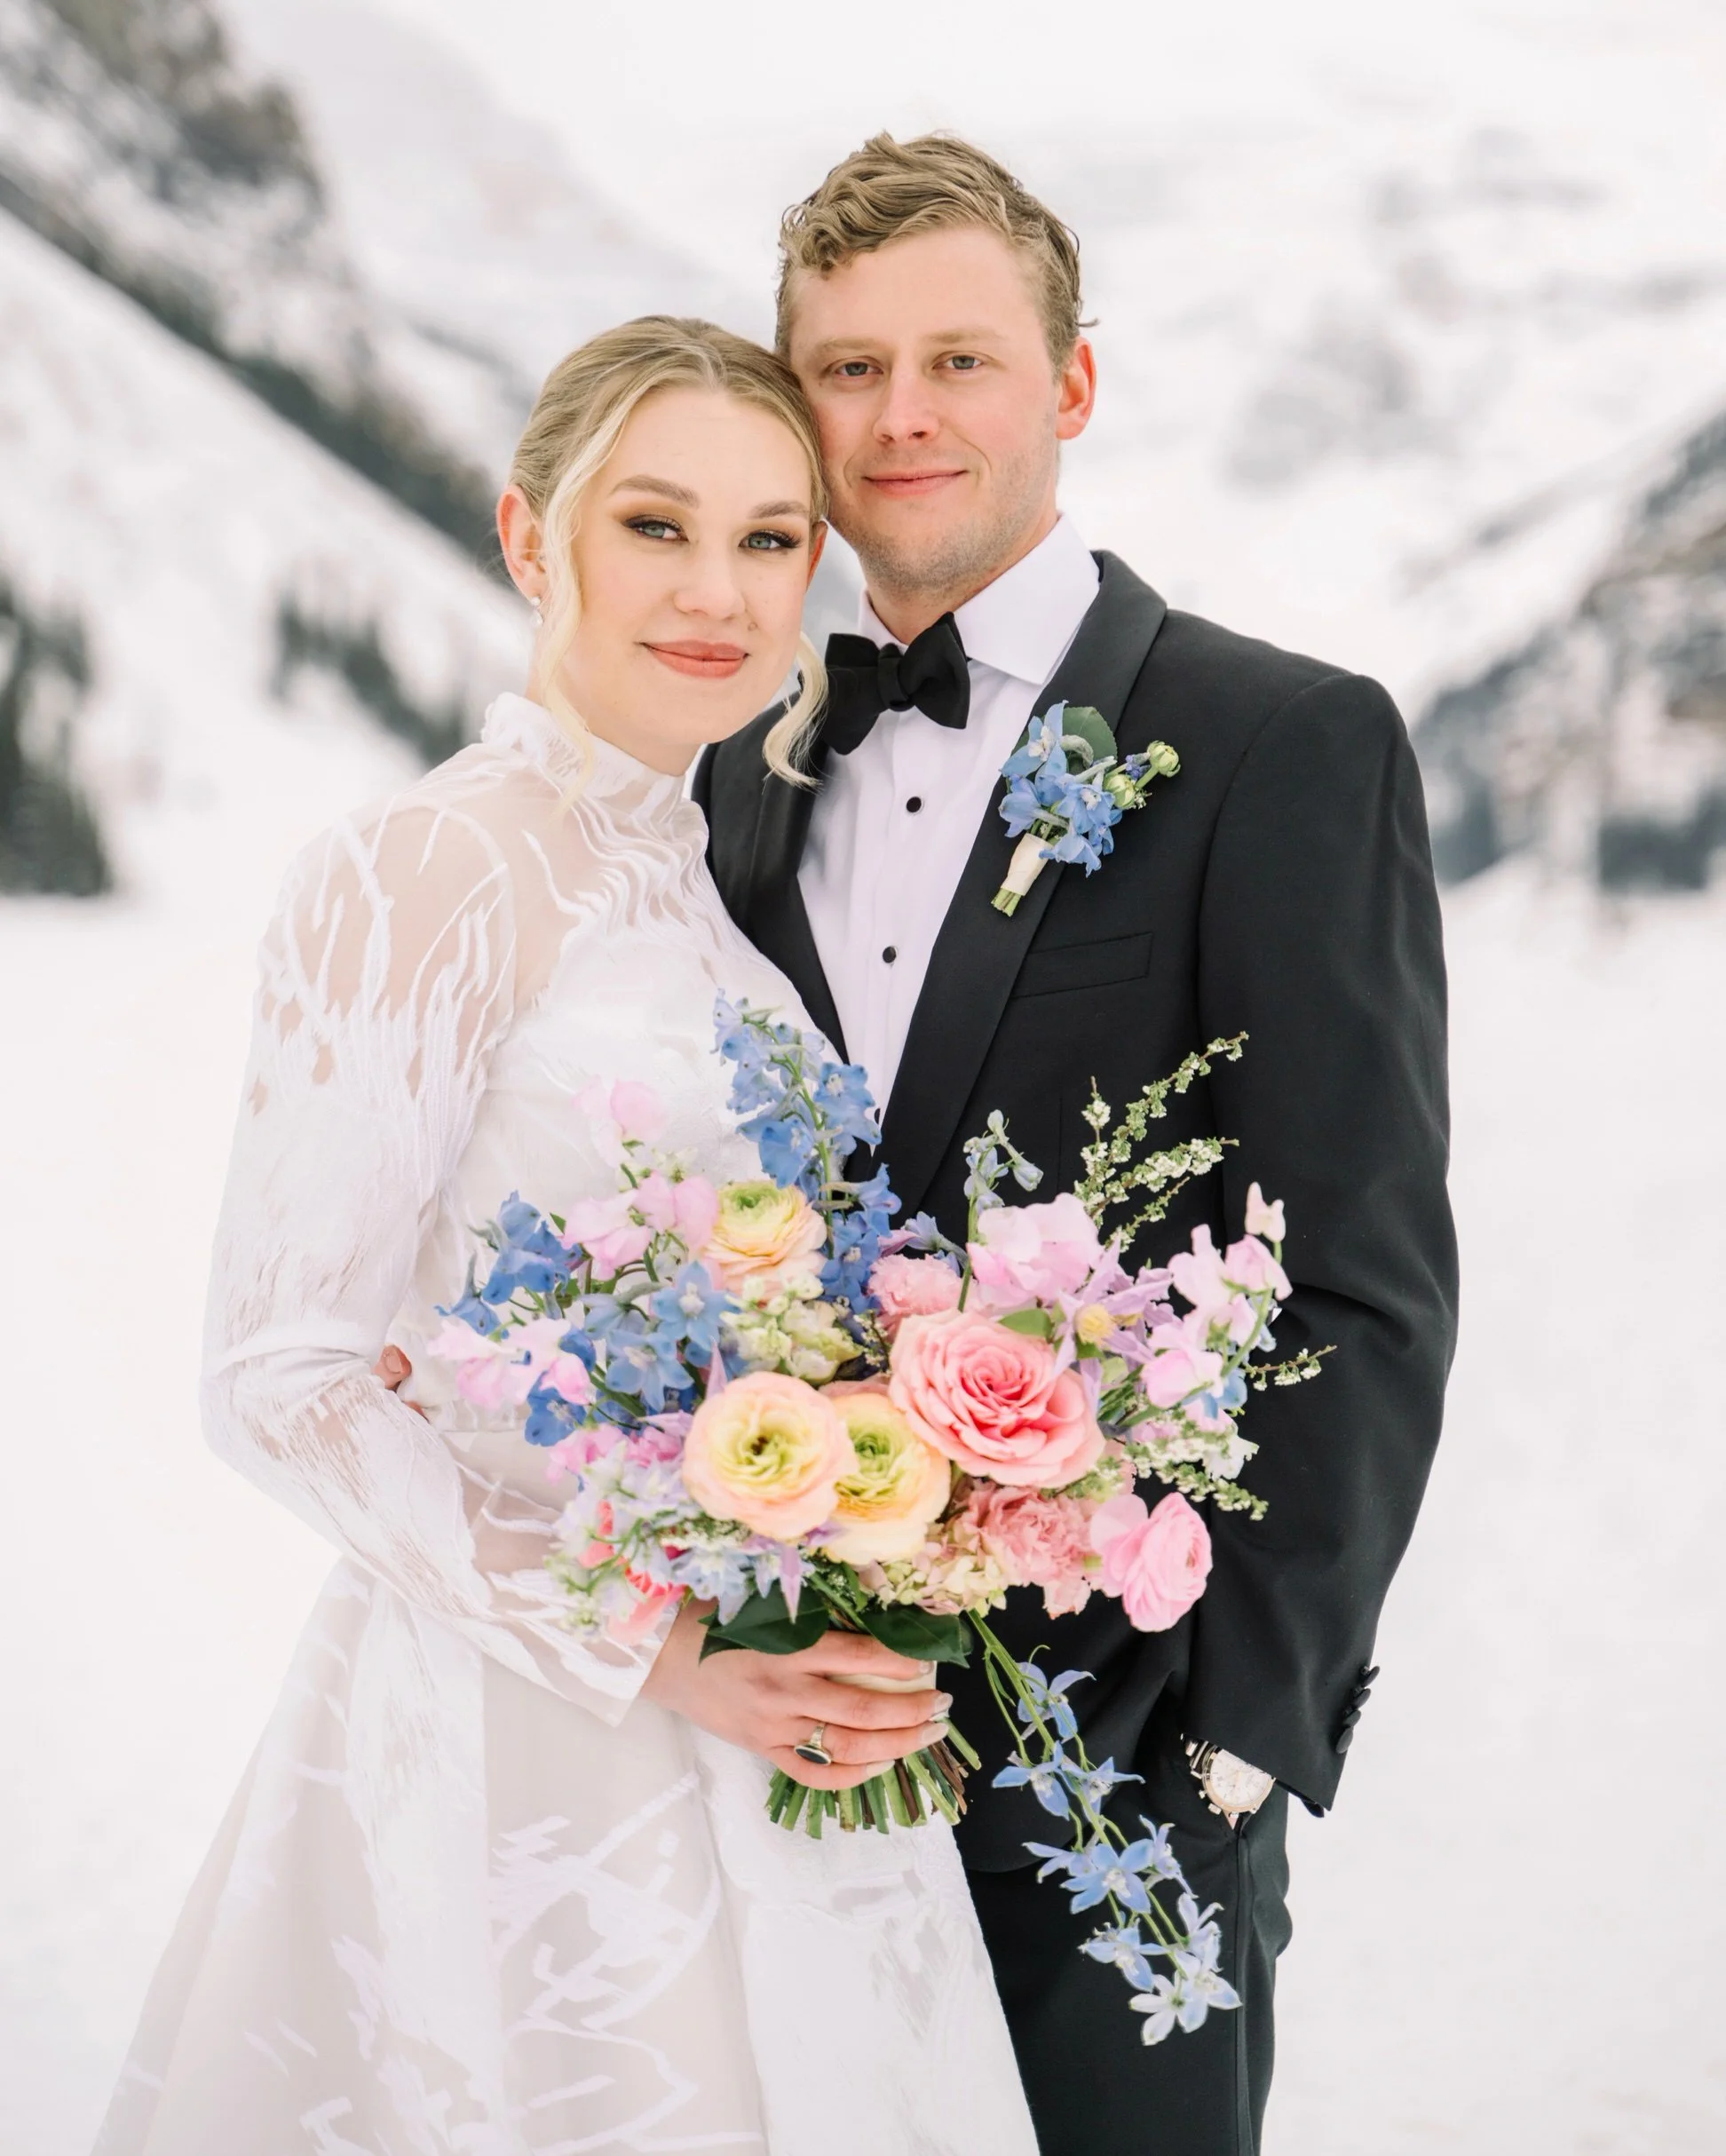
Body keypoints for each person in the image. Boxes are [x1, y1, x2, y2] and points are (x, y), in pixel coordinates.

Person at [95, 319, 1038, 2156]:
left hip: (773, 1721)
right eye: (654, 525)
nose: (718, 591)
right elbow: (278, 1377)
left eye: (773, 539)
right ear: (533, 538)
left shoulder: (699, 886)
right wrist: (664, 1646)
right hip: (534, 1741)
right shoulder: (423, 866)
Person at [693, 133, 1460, 2155]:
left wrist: (1235, 1725)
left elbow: (1363, 1273)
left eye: (960, 357)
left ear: (1073, 387)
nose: (906, 414)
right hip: (772, 1753)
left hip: (1118, 1776)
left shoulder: (1283, 743)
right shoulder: (732, 775)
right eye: (847, 369)